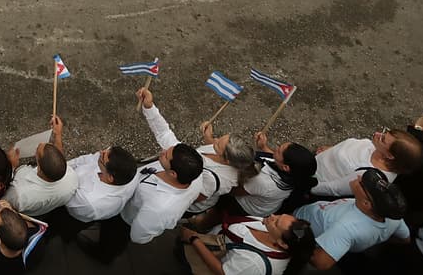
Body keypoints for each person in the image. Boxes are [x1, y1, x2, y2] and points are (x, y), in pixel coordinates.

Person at [119, 85, 204, 245]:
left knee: (112, 240)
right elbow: (164, 133)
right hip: (126, 199)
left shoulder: (158, 209)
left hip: (125, 218)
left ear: (173, 174)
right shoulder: (187, 164)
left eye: (166, 155)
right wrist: (149, 106)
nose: (162, 151)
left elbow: (139, 236)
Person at [294, 169, 409, 271]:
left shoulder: (346, 228)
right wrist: (377, 238)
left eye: (362, 184)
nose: (358, 177)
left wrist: (296, 236)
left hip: (297, 226)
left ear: (366, 203)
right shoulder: (393, 218)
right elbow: (405, 239)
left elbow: (321, 263)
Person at [179, 213, 316, 275]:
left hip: (204, 254)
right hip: (213, 239)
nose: (273, 216)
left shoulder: (254, 263)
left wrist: (194, 240)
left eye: (276, 222)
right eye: (279, 215)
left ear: (282, 243)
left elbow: (222, 271)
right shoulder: (271, 230)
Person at [312, 128, 423, 199]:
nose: (378, 134)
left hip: (313, 179)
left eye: (383, 139)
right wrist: (333, 149)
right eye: (385, 132)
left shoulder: (369, 176)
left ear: (390, 156)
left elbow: (333, 189)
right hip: (316, 162)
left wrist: (304, 186)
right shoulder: (378, 148)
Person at [235, 132, 318, 218]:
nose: (276, 148)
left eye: (278, 150)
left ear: (286, 167)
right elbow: (274, 158)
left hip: (247, 206)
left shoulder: (264, 181)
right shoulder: (297, 175)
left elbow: (237, 191)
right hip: (268, 205)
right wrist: (263, 147)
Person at [3, 116, 73, 216]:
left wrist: (11, 166)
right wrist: (58, 134)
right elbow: (58, 158)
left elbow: (3, 203)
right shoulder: (71, 178)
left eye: (37, 152)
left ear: (39, 169)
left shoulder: (19, 194)